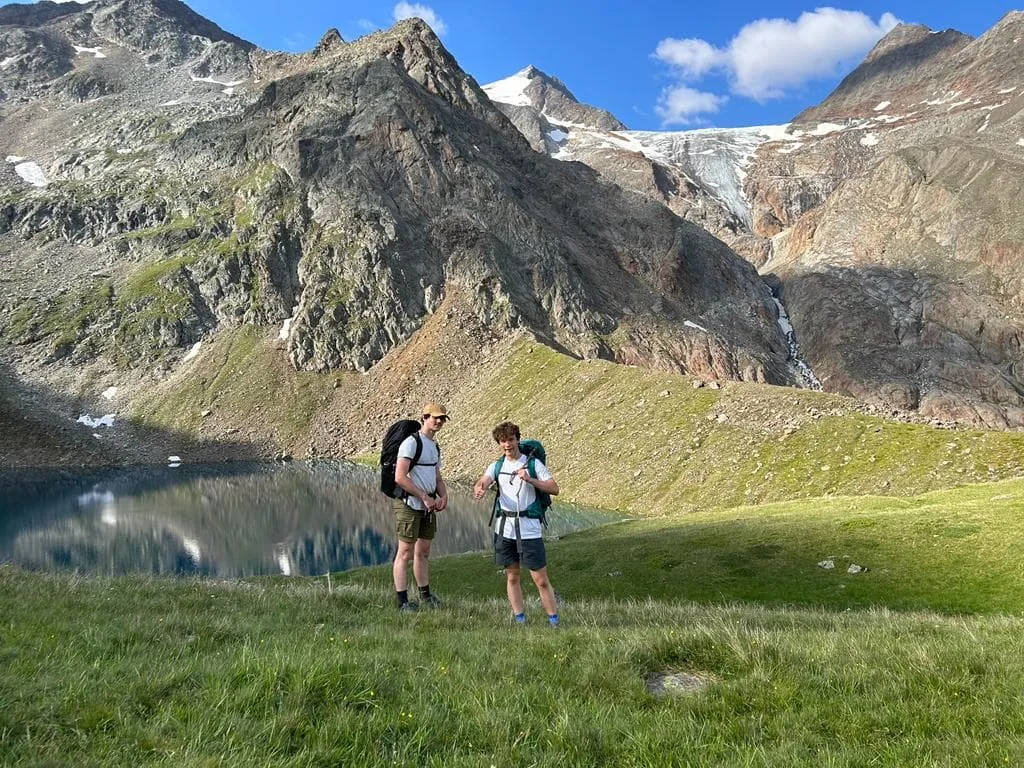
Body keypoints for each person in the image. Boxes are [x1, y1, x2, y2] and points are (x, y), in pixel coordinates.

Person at [473, 421, 561, 626]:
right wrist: (480, 487)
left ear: (518, 439)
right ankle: (520, 619)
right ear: (499, 443)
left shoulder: (533, 464)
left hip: (529, 529)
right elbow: (485, 480)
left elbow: (554, 488)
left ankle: (554, 621)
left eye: (511, 440)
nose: (507, 445)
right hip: (505, 528)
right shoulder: (497, 466)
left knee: (540, 579)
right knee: (512, 576)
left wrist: (531, 480)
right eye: (503, 441)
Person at [392, 402, 449, 612]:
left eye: (442, 418)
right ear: (424, 417)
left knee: (423, 551)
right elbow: (400, 477)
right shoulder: (411, 443)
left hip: (428, 506)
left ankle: (425, 595)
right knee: (405, 552)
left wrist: (443, 495)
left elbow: (436, 476)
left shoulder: (434, 446)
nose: (439, 421)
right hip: (409, 504)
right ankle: (403, 601)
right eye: (435, 417)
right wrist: (424, 496)